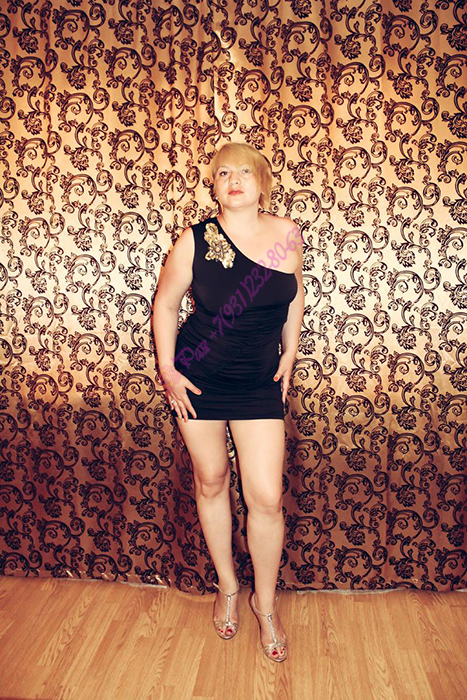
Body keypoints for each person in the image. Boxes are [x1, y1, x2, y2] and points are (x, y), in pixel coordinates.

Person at [152, 142, 304, 662]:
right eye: (223, 173)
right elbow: (166, 304)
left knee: (266, 497)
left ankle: (266, 603)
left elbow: (293, 293)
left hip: (258, 381)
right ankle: (228, 586)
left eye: (244, 171)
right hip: (199, 378)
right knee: (212, 479)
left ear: (262, 183)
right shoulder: (195, 240)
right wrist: (168, 370)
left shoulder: (285, 235)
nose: (234, 179)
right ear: (213, 186)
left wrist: (290, 352)